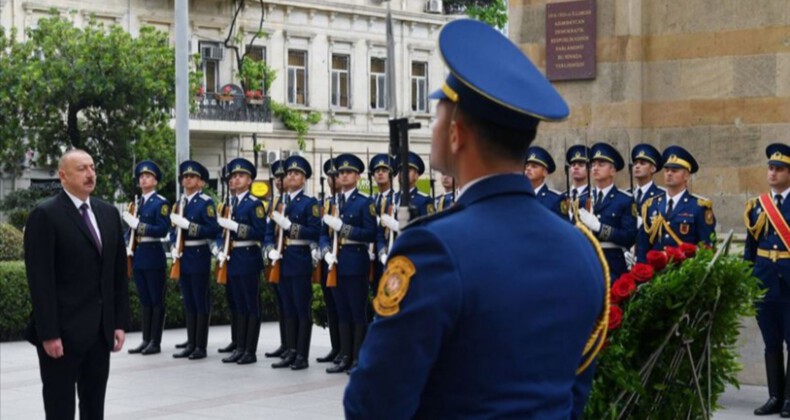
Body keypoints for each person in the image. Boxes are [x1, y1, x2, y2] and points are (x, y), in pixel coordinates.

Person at [344, 19, 606, 418]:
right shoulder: (581, 248)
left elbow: (375, 403)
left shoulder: (433, 247)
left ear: (455, 134)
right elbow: (575, 393)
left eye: (436, 116)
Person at [23, 149, 131, 419]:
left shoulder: (108, 214)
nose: (90, 174)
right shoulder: (45, 215)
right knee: (60, 409)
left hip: (99, 333)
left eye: (92, 167)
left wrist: (118, 322)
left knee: (94, 407)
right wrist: (49, 333)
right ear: (63, 176)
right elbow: (41, 280)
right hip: (62, 335)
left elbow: (117, 274)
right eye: (81, 169)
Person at [744, 143, 790, 416]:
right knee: (771, 341)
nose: (772, 173)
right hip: (764, 283)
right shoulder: (756, 206)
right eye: (770, 168)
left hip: (789, 284)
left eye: (779, 169)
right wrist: (748, 280)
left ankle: (789, 399)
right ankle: (774, 396)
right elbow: (751, 248)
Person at [321, 154, 377, 374]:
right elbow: (322, 233)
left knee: (356, 311)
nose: (343, 176)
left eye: (348, 172)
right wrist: (325, 251)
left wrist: (343, 228)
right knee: (341, 311)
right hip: (335, 263)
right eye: (340, 173)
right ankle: (344, 356)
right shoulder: (332, 202)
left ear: (357, 176)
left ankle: (358, 358)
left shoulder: (365, 202)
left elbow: (370, 233)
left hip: (355, 263)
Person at [267, 155, 321, 370]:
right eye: (289, 173)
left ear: (304, 178)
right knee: (287, 308)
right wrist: (270, 248)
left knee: (300, 308)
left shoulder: (310, 203)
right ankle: (290, 351)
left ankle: (302, 354)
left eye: (296, 173)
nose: (291, 176)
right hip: (282, 258)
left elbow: (315, 231)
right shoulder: (280, 203)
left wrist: (291, 226)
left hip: (299, 258)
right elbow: (269, 232)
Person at [217, 158, 267, 364]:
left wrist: (236, 227)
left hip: (248, 257)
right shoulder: (230, 205)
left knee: (250, 304)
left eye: (240, 176)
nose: (235, 180)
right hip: (233, 258)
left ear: (249, 181)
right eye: (233, 176)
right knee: (237, 304)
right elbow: (222, 232)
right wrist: (219, 247)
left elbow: (260, 232)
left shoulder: (254, 204)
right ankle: (239, 346)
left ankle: (250, 350)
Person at [170, 161, 220, 360]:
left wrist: (190, 226)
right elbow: (173, 230)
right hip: (183, 255)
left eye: (192, 177)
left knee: (200, 301)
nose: (187, 179)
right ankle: (191, 343)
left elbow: (212, 229)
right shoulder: (179, 203)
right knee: (189, 302)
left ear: (200, 183)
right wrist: (174, 245)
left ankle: (201, 345)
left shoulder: (206, 203)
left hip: (199, 254)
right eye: (185, 177)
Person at [636, 145, 716, 262]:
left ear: (686, 176)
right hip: (655, 273)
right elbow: (643, 246)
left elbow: (707, 247)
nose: (669, 173)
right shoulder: (651, 205)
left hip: (685, 273)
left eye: (674, 171)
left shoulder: (698, 207)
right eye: (667, 170)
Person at [123, 161, 169, 356]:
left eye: (148, 176)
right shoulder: (137, 203)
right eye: (141, 177)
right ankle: (145, 339)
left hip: (153, 252)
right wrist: (126, 245)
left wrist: (139, 225)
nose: (143, 179)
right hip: (140, 253)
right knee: (144, 300)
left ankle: (155, 341)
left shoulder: (161, 202)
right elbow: (129, 231)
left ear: (155, 181)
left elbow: (162, 229)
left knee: (156, 299)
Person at [576, 142, 637, 282]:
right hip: (588, 261)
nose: (595, 168)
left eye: (601, 164)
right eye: (593, 164)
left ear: (613, 170)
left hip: (613, 264)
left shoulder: (624, 200)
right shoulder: (582, 200)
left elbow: (629, 236)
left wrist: (600, 228)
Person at [315, 158, 342, 364]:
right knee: (332, 307)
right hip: (328, 261)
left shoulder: (354, 201)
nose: (332, 181)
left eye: (336, 176)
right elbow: (322, 233)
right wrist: (324, 250)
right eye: (329, 178)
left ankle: (348, 351)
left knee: (346, 309)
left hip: (346, 260)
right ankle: (336, 347)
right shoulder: (327, 204)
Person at [262, 159, 289, 360]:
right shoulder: (274, 203)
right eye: (276, 178)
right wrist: (269, 248)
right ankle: (285, 343)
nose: (279, 181)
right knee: (281, 304)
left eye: (282, 177)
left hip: (291, 257)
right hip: (276, 258)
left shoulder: (301, 202)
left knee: (293, 306)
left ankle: (295, 348)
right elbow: (268, 231)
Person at [525, 145, 563, 216]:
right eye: (527, 165)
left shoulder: (555, 199)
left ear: (545, 172)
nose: (528, 169)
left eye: (534, 166)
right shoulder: (521, 196)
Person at [559, 144, 590, 222]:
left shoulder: (592, 196)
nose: (576, 167)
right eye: (573, 165)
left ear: (589, 169)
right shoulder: (562, 197)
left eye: (581, 165)